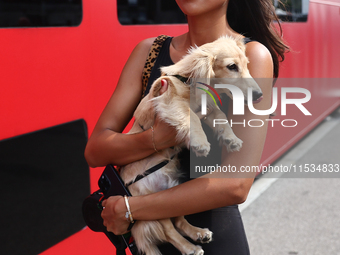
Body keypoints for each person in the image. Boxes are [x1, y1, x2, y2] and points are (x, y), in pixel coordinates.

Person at [85, 0, 289, 254]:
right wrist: (157, 137)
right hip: (149, 240)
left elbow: (235, 184)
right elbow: (95, 150)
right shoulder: (148, 52)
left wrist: (129, 209)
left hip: (214, 240)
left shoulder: (251, 55)